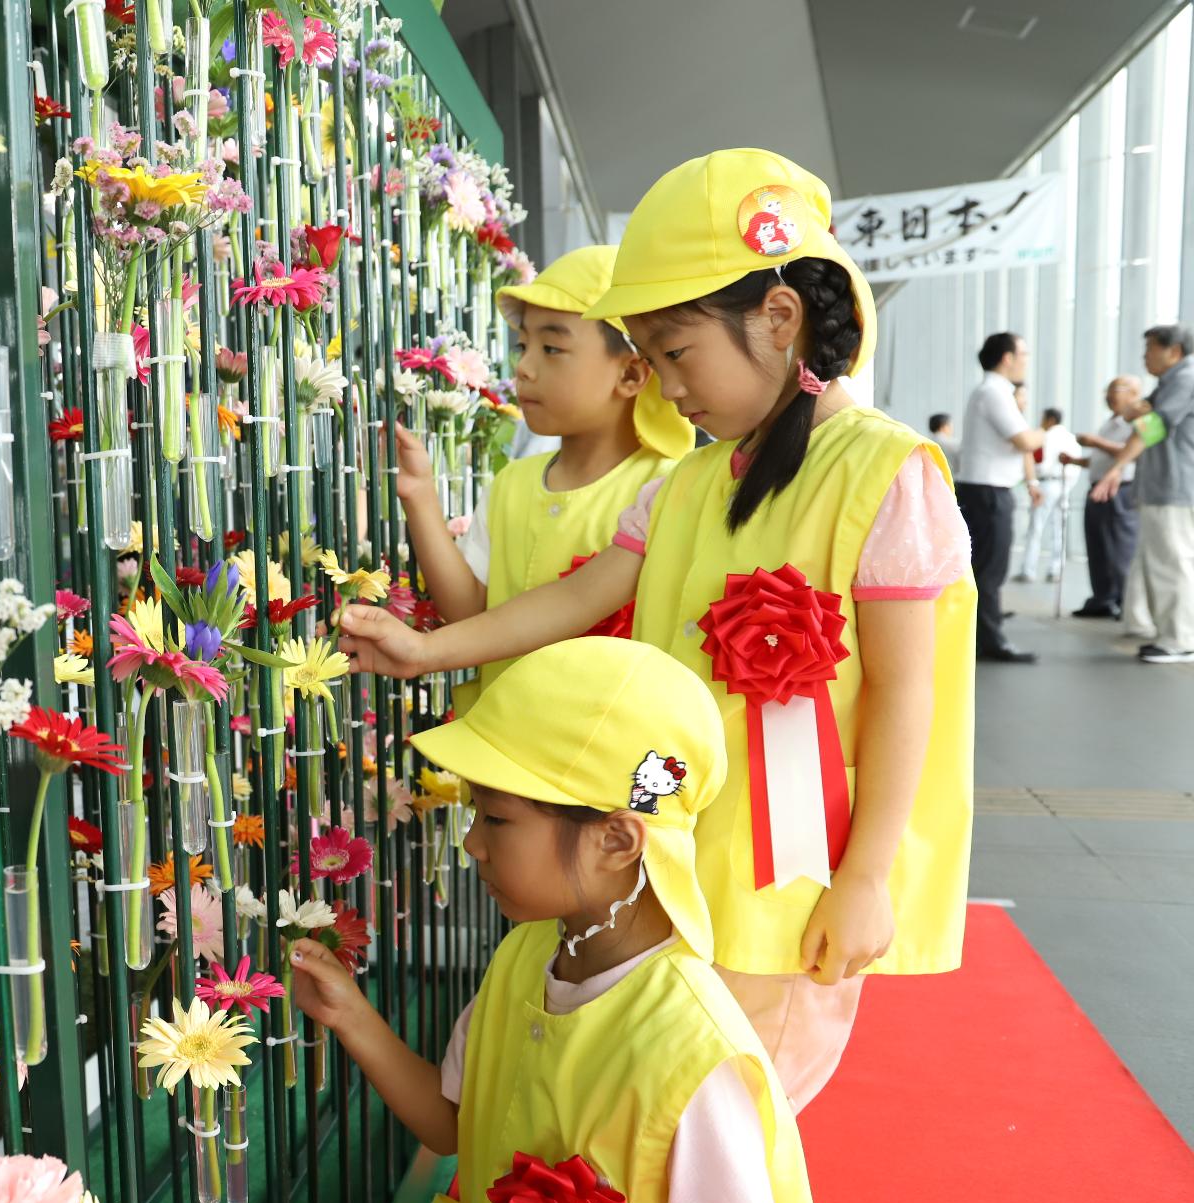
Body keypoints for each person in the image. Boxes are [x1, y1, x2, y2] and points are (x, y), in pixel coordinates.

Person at [337, 148, 974, 1110]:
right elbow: (576, 595)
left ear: (778, 317)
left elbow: (904, 691)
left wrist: (869, 876)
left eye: (676, 353)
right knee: (665, 1112)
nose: (668, 387)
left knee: (732, 1125)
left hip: (787, 883)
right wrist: (427, 649)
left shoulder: (885, 471)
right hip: (675, 861)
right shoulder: (689, 483)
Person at [298, 638, 840, 1203]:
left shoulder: (694, 1050)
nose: (472, 843)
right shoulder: (527, 956)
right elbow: (454, 1121)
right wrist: (354, 1018)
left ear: (617, 838)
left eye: (495, 818)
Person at [397, 245, 693, 707]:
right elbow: (469, 611)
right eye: (523, 345)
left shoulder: (665, 490)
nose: (524, 367)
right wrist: (418, 496)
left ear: (632, 374)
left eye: (552, 348)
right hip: (497, 745)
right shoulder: (512, 483)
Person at [1091, 324, 1194, 663]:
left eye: (1150, 349)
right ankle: (1163, 630)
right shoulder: (1169, 382)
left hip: (1173, 487)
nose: (1144, 356)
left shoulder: (1184, 378)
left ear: (1173, 351)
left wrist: (1117, 466)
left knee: (1172, 562)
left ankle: (1180, 639)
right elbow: (1134, 413)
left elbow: (1152, 425)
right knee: (1157, 560)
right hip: (1161, 486)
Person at [952, 333, 1044, 661]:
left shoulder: (993, 392)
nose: (1025, 360)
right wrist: (1048, 431)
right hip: (988, 492)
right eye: (1024, 353)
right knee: (990, 569)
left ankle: (982, 632)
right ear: (1007, 357)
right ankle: (990, 641)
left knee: (986, 567)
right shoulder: (994, 392)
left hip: (985, 490)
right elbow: (1024, 441)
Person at [1070, 377, 1141, 618]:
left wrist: (1095, 442)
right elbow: (1100, 459)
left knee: (1121, 548)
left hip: (1119, 490)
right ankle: (1103, 598)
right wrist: (1074, 461)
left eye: (1116, 390)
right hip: (1097, 488)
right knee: (1098, 547)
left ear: (1134, 393)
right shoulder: (1110, 423)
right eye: (1107, 391)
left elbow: (1130, 452)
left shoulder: (1136, 423)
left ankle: (1125, 602)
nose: (1109, 396)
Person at [1015, 405, 1073, 583]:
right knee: (1059, 529)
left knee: (1036, 527)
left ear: (1050, 420)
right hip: (1064, 485)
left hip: (1046, 484)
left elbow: (1037, 464)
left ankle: (1028, 570)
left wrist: (1031, 477)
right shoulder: (1070, 439)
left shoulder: (1043, 437)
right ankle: (1055, 569)